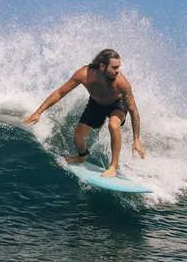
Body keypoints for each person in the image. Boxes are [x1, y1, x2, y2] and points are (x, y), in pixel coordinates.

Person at [22, 49, 145, 177]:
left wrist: (136, 139)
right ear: (102, 66)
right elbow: (60, 92)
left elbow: (133, 111)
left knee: (113, 125)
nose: (118, 70)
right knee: (78, 137)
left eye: (119, 67)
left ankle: (113, 166)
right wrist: (38, 112)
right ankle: (82, 157)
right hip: (96, 104)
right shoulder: (84, 74)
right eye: (114, 67)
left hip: (117, 104)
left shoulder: (122, 83)